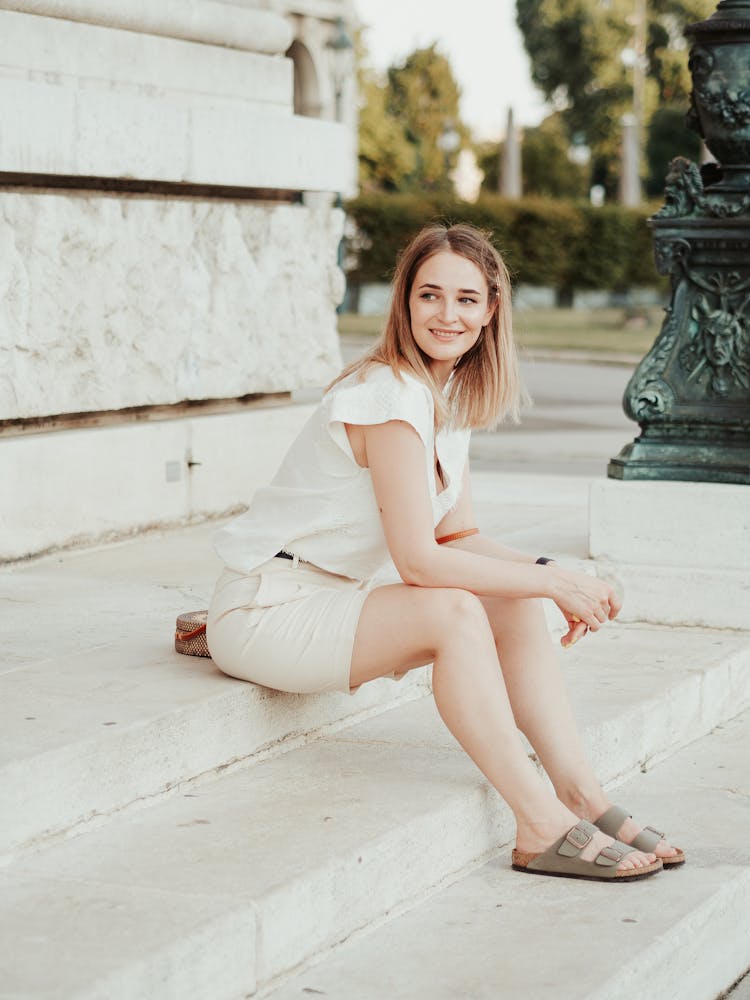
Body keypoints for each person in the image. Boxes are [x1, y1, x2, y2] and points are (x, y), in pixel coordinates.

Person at [207, 222, 683, 882]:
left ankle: (583, 797)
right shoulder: (388, 396)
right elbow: (420, 564)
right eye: (429, 295)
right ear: (404, 302)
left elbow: (459, 536)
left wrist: (553, 574)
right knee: (456, 612)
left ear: (491, 311)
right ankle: (539, 823)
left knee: (509, 601)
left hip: (329, 599)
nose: (446, 314)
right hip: (268, 610)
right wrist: (554, 589)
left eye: (465, 299)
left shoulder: (442, 397)